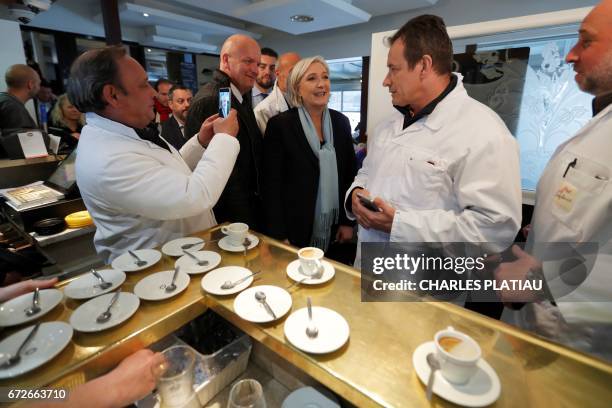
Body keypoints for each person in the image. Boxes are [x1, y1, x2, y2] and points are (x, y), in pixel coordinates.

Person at [345, 15, 522, 268]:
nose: (386, 80)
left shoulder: (485, 132)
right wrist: (355, 194)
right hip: (367, 267)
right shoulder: (387, 127)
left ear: (424, 66)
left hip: (425, 289)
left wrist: (401, 225)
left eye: (393, 69)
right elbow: (367, 172)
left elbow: (492, 231)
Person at [495, 0, 612, 360]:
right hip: (533, 322)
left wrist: (544, 279)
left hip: (582, 344)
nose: (570, 55)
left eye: (586, 42)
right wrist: (548, 230)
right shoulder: (600, 120)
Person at [68, 45, 240, 262]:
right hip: (155, 269)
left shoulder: (124, 131)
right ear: (112, 95)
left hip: (180, 257)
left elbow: (166, 174)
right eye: (143, 85)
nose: (153, 93)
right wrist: (225, 138)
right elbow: (193, 196)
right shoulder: (108, 159)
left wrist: (200, 142)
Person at [262, 56, 357, 253]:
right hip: (294, 230)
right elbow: (271, 186)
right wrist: (278, 236)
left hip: (335, 229)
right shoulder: (280, 125)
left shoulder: (341, 123)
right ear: (297, 88)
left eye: (325, 77)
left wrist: (348, 222)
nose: (321, 84)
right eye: (312, 78)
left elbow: (350, 175)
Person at [185, 34, 263, 228]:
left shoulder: (237, 94)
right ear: (226, 60)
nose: (255, 70)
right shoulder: (221, 97)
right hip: (231, 218)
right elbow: (225, 172)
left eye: (257, 64)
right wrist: (245, 223)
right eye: (248, 61)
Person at [254, 52, 301, 134]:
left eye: (300, 72)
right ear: (277, 73)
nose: (298, 76)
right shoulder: (263, 110)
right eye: (292, 71)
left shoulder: (306, 101)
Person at [0, 64, 40, 131]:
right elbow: (25, 141)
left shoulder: (4, 101)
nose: (39, 88)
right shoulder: (14, 109)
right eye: (39, 84)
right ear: (31, 85)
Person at [161, 85, 192, 150]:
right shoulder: (164, 129)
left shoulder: (201, 123)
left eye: (189, 100)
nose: (187, 105)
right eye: (181, 101)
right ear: (170, 104)